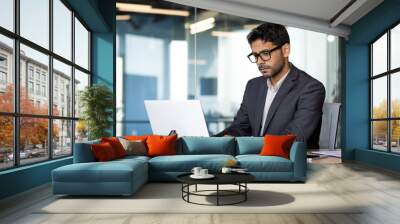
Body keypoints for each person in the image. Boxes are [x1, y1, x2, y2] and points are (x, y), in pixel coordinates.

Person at [215, 22, 325, 149]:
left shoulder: (310, 88)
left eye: (265, 53)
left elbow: (294, 138)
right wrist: (210, 143)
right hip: (255, 162)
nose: (260, 62)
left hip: (289, 165)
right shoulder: (253, 86)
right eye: (256, 55)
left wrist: (250, 147)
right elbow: (240, 128)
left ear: (285, 50)